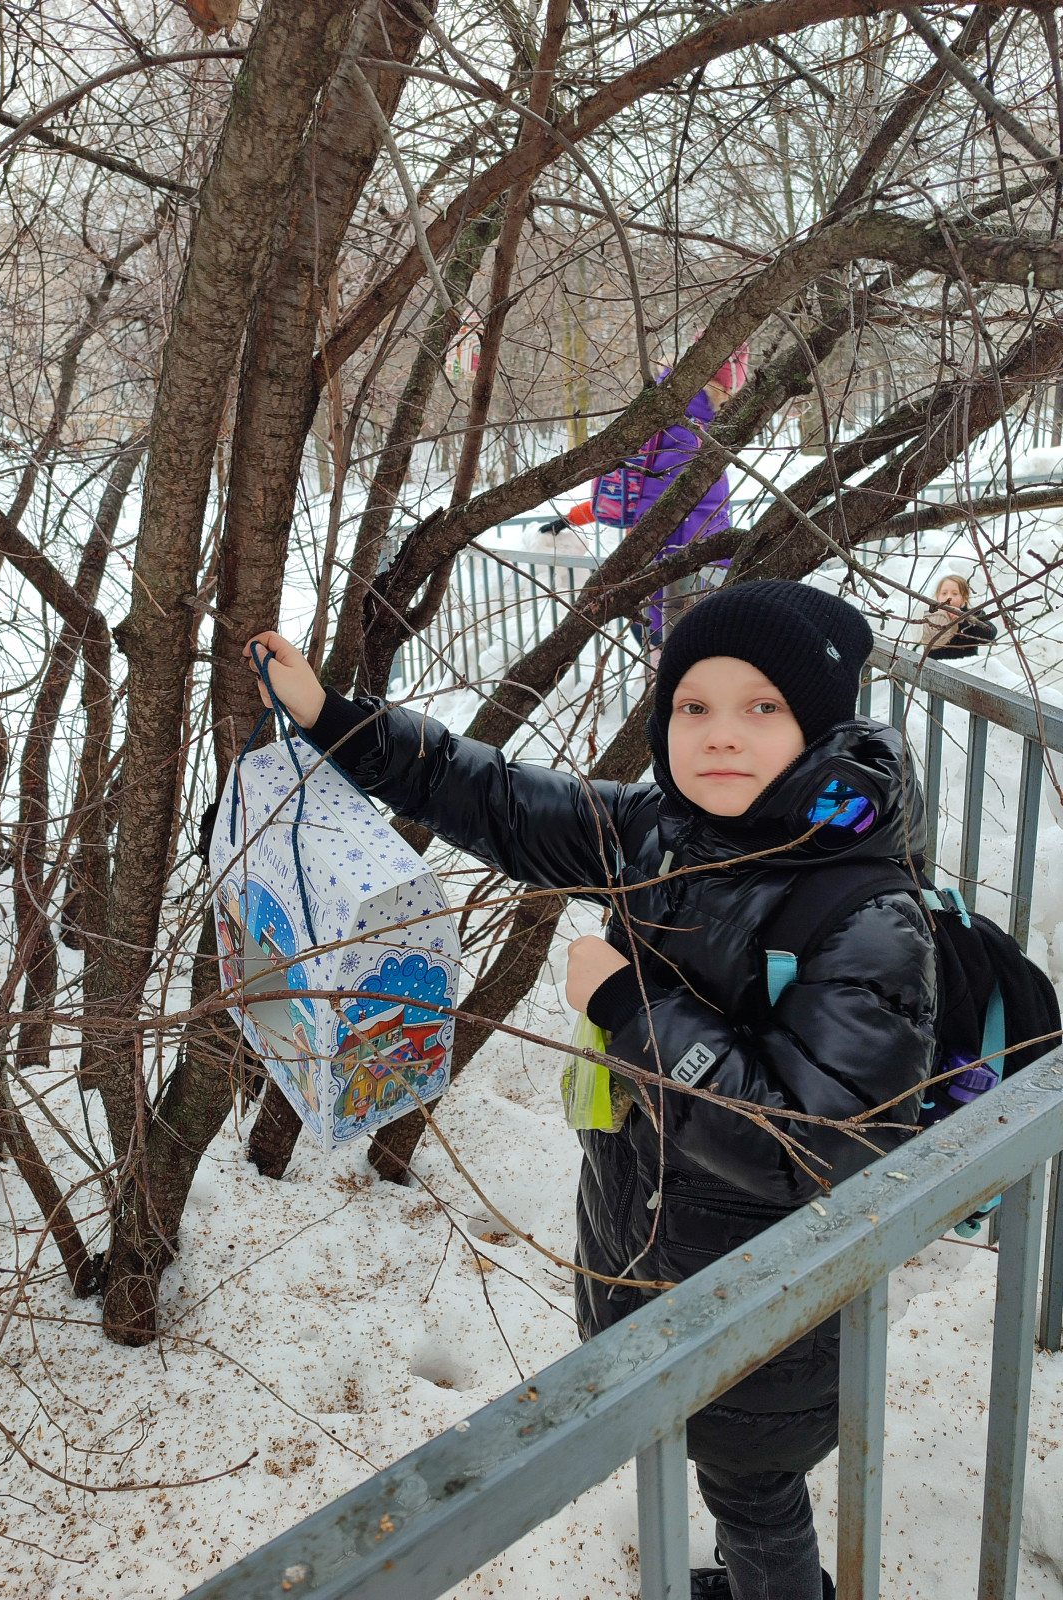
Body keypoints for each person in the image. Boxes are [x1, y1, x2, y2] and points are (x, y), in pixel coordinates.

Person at [243, 580, 936, 1600]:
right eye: (693, 707)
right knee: (721, 1473)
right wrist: (336, 721)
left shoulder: (867, 912)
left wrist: (631, 1005)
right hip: (654, 1253)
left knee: (755, 1490)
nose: (720, 736)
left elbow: (812, 1147)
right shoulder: (665, 831)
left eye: (763, 707)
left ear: (820, 727)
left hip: (770, 1310)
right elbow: (501, 801)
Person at [539, 347, 749, 652]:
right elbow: (685, 519)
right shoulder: (692, 434)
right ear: (722, 387)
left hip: (651, 585)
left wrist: (573, 517)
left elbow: (630, 490)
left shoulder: (655, 417)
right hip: (677, 597)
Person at [922, 573, 998, 660]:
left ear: (964, 598)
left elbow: (990, 634)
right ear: (937, 597)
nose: (948, 597)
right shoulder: (929, 617)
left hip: (964, 667)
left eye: (955, 594)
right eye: (944, 593)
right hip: (933, 666)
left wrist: (964, 621)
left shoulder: (973, 615)